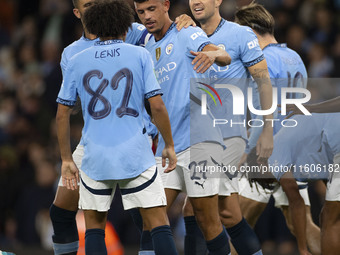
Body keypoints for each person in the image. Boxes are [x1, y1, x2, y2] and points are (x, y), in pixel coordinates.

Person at [49, 0, 195, 254]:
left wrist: (65, 159)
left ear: (91, 21)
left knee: (95, 226)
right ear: (125, 26)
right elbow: (157, 107)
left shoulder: (77, 59)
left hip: (95, 150)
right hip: (135, 149)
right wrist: (169, 144)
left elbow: (62, 113)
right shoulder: (138, 53)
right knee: (157, 221)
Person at [134, 0, 233, 254]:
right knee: (151, 218)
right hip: (167, 146)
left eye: (152, 9)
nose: (147, 16)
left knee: (207, 219)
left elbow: (224, 56)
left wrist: (213, 54)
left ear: (166, 5)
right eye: (141, 11)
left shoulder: (186, 31)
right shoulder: (143, 44)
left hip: (200, 140)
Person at [183, 0, 275, 254]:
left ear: (218, 1)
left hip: (229, 135)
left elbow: (264, 83)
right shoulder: (188, 34)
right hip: (199, 137)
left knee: (194, 208)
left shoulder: (239, 34)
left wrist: (267, 130)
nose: (196, 1)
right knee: (228, 212)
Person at [233, 3, 320, 254]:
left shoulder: (262, 61)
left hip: (268, 152)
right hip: (295, 148)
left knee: (235, 221)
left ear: (249, 32)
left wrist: (247, 151)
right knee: (301, 224)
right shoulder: (295, 57)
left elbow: (264, 112)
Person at [246, 112, 340, 255]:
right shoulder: (295, 149)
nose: (276, 181)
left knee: (329, 218)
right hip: (334, 138)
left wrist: (302, 248)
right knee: (330, 215)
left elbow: (296, 202)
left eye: (267, 178)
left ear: (259, 163)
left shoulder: (273, 157)